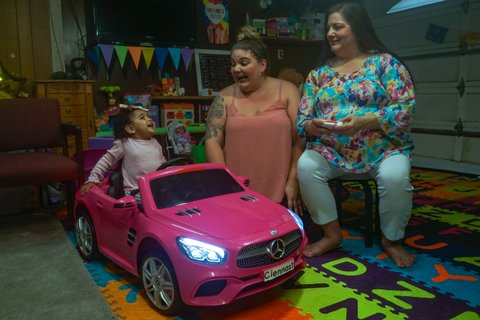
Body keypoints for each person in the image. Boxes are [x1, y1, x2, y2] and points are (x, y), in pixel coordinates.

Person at [296, 2, 416, 267]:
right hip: (332, 149)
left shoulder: (385, 64)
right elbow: (302, 118)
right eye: (328, 28)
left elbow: (405, 109)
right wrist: (311, 126)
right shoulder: (318, 74)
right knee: (306, 165)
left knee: (395, 175)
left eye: (338, 26)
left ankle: (391, 240)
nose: (330, 33)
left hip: (383, 148)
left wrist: (365, 121)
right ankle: (332, 234)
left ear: (357, 28)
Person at [204, 25, 304, 214]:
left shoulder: (288, 89)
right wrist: (225, 184)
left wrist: (293, 180)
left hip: (282, 191)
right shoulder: (223, 97)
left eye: (243, 62)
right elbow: (212, 141)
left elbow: (300, 138)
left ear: (262, 65)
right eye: (233, 64)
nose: (236, 69)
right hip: (237, 193)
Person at [80, 104, 166, 202]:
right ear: (131, 129)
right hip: (136, 191)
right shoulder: (125, 143)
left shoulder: (155, 142)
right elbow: (107, 160)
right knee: (157, 202)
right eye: (142, 118)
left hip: (156, 188)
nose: (149, 119)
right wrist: (93, 178)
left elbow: (162, 164)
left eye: (148, 116)